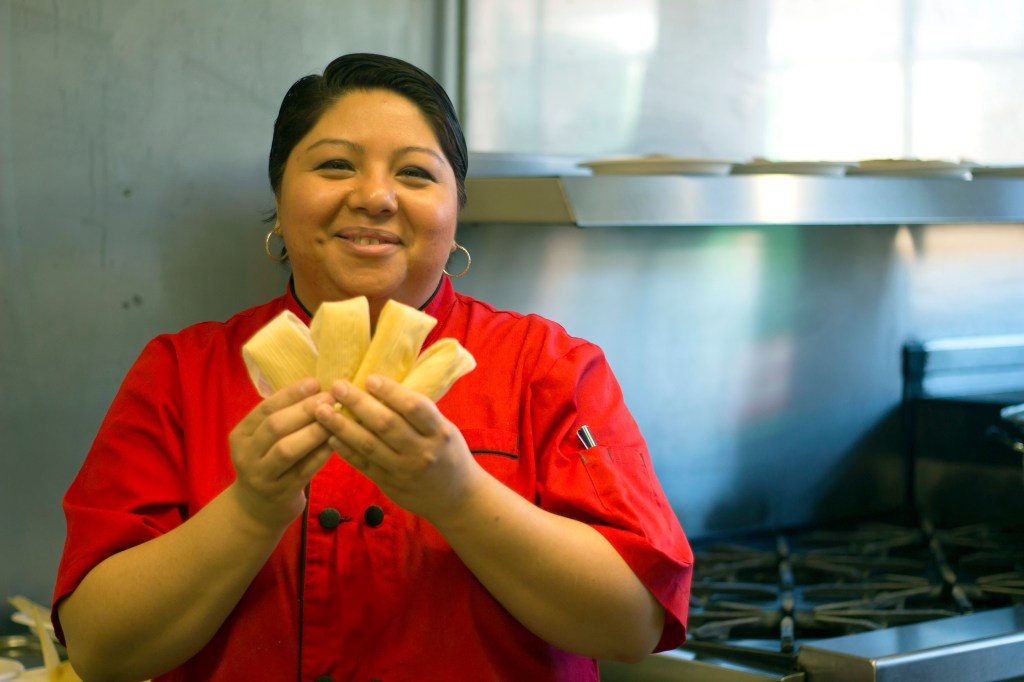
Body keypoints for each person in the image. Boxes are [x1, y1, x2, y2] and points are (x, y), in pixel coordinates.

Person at [52, 53, 693, 682]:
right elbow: (102, 651)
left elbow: (631, 626)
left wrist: (458, 495)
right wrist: (251, 507)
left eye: (416, 174)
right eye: (335, 164)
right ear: (279, 195)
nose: (376, 196)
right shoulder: (181, 372)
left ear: (454, 211)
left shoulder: (546, 366)